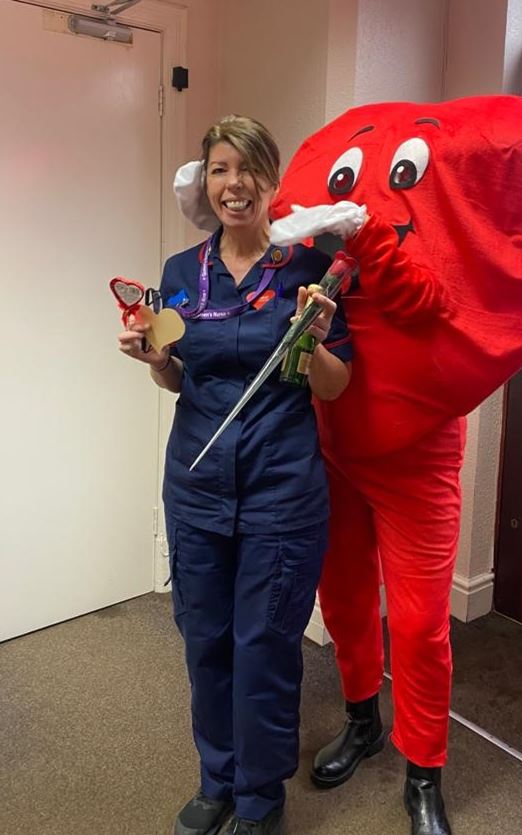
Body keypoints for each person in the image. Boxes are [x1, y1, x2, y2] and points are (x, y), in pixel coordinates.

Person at [266, 97, 522, 835]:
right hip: (333, 446)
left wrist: (370, 233)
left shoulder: (413, 240)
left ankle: (424, 772)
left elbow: (423, 303)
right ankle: (361, 721)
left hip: (418, 458)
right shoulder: (321, 251)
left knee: (418, 627)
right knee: (345, 599)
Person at [117, 115, 352, 835]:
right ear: (207, 182)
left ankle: (258, 797)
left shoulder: (308, 271)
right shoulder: (178, 274)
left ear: (272, 183)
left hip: (281, 491)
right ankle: (216, 776)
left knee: (265, 645)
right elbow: (180, 378)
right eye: (220, 168)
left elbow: (336, 386)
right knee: (205, 638)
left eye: (248, 168)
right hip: (196, 488)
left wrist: (311, 339)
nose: (234, 183)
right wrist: (155, 360)